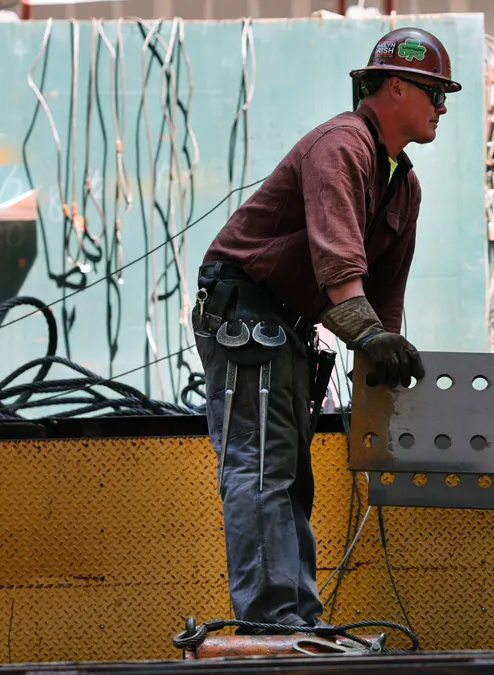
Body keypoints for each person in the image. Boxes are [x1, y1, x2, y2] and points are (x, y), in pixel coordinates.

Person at [189, 26, 460, 632]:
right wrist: (366, 338)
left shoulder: (403, 184)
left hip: (285, 326)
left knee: (287, 477)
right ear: (395, 88)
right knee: (262, 469)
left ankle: (293, 621)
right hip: (246, 316)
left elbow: (381, 301)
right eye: (435, 93)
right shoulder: (342, 146)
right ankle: (275, 625)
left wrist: (381, 362)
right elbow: (339, 266)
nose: (443, 107)